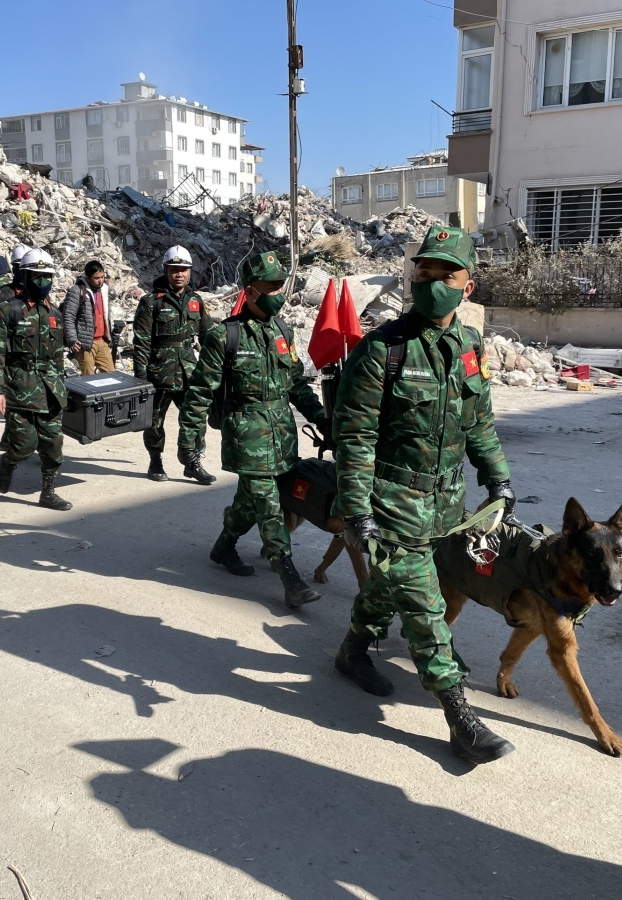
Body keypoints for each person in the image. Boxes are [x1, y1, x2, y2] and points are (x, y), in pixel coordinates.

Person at [332, 224, 517, 765]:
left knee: (389, 587)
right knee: (423, 603)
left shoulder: (468, 346)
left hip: (446, 505)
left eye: (446, 273)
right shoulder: (383, 349)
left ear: (468, 285)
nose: (432, 281)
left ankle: (351, 651)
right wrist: (356, 508)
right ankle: (460, 717)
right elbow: (355, 436)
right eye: (424, 271)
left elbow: (478, 421)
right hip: (391, 500)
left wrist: (498, 478)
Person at [179, 252, 328, 609]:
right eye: (271, 286)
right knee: (268, 503)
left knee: (250, 500)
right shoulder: (224, 336)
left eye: (282, 285)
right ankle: (289, 575)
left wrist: (322, 418)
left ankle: (224, 547)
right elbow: (200, 391)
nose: (279, 292)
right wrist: (188, 442)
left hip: (281, 435)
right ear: (251, 290)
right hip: (245, 436)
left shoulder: (283, 330)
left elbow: (296, 384)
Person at [0, 248, 72, 510]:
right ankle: (9, 463)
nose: (42, 281)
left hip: (51, 389)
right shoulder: (7, 311)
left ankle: (49, 491)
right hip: (18, 389)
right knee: (24, 445)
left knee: (53, 445)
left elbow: (57, 358)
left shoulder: (53, 313)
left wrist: (63, 387)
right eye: (36, 276)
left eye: (47, 276)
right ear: (23, 276)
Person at [132, 246, 216, 484]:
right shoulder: (151, 302)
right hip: (159, 373)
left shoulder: (196, 302)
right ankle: (155, 460)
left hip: (189, 372)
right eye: (174, 270)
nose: (179, 274)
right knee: (154, 422)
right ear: (166, 271)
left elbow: (209, 336)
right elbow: (141, 342)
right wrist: (141, 378)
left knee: (195, 419)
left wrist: (215, 367)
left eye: (183, 270)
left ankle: (192, 461)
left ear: (190, 272)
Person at [63, 260, 114, 375]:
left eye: (102, 277)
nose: (100, 280)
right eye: (96, 278)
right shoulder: (77, 291)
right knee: (89, 380)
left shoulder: (104, 290)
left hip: (102, 341)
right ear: (87, 277)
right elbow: (68, 317)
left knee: (112, 376)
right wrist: (72, 340)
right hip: (85, 344)